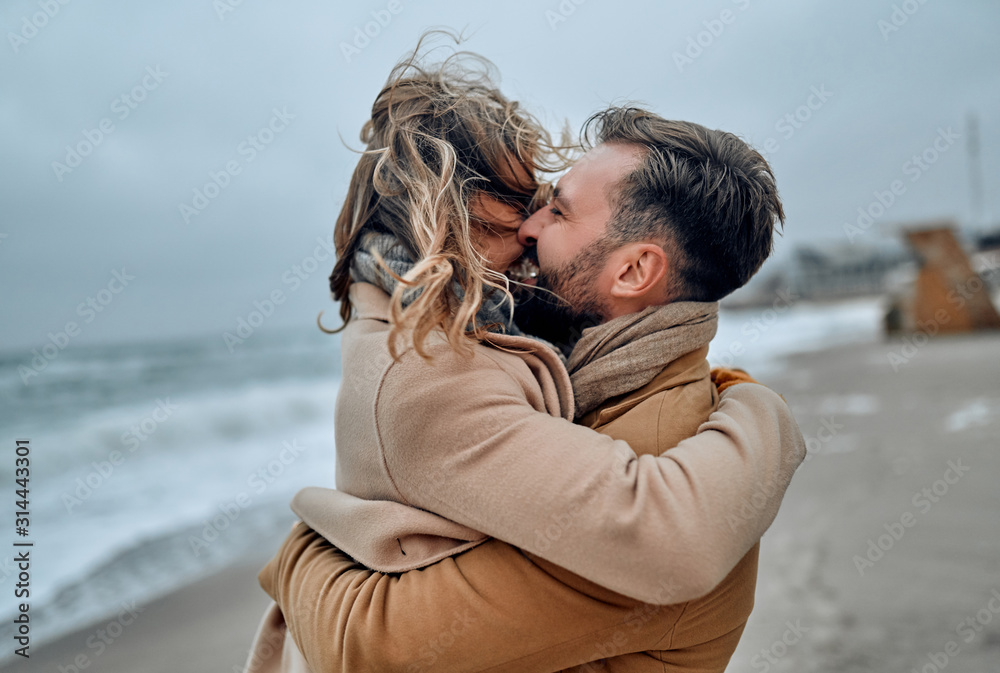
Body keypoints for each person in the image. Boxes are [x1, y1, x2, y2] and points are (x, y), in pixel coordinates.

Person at [244, 39, 805, 673]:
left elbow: (375, 646)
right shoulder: (551, 381)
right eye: (527, 203)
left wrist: (297, 554)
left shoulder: (665, 452)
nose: (531, 226)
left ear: (635, 270)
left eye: (556, 211)